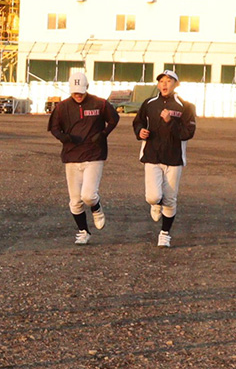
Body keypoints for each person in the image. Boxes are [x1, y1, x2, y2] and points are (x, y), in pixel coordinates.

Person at [48, 71, 119, 245]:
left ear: (87, 87)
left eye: (80, 91)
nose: (78, 95)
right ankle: (83, 231)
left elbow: (114, 119)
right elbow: (54, 127)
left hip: (94, 154)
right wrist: (62, 137)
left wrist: (103, 134)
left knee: (88, 195)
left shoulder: (100, 104)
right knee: (75, 200)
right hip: (71, 156)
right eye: (74, 92)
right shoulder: (62, 107)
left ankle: (96, 207)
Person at [132, 69, 197, 248]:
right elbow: (137, 122)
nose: (165, 84)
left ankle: (165, 234)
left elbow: (187, 133)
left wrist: (171, 122)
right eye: (162, 81)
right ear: (158, 84)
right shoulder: (149, 103)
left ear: (176, 84)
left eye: (169, 81)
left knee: (170, 199)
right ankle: (155, 203)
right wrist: (140, 132)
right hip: (152, 155)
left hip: (174, 158)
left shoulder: (185, 106)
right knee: (153, 196)